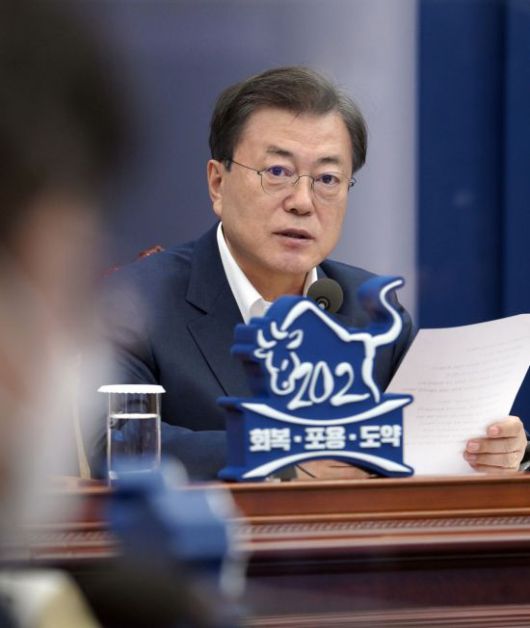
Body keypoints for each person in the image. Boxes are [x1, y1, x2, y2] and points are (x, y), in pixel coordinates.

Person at [94, 66, 527, 481]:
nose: (302, 201)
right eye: (277, 172)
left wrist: (498, 449)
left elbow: (418, 440)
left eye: (328, 178)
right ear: (217, 183)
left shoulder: (368, 306)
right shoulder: (135, 304)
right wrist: (279, 456)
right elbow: (111, 443)